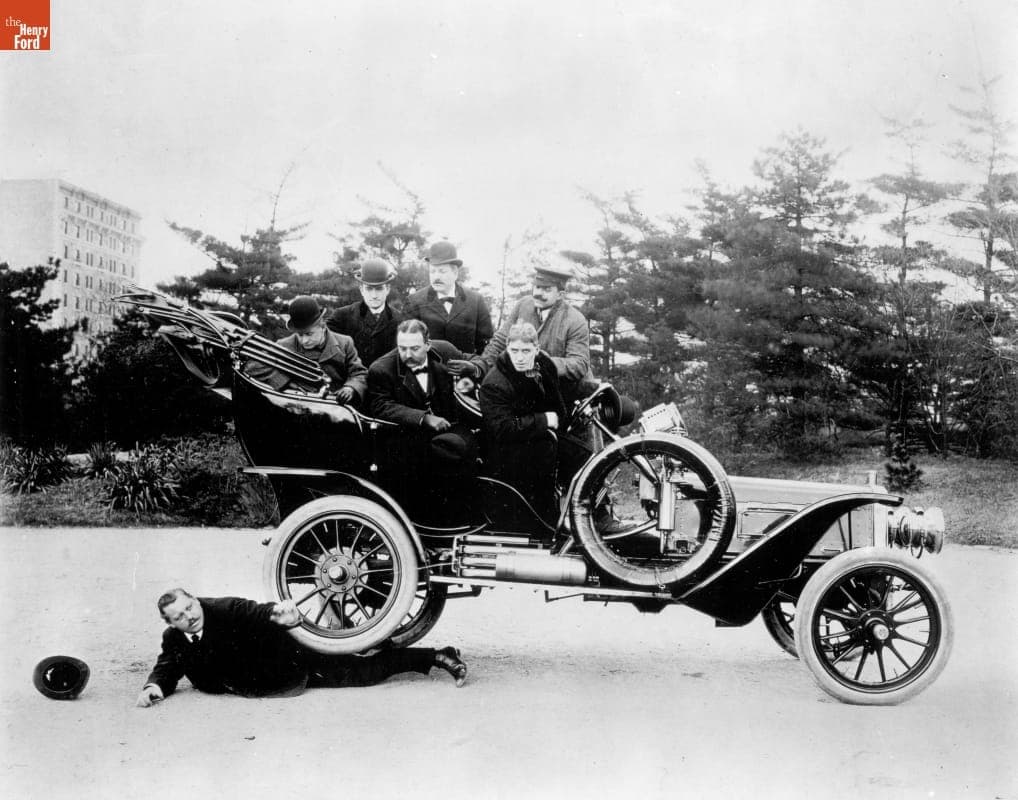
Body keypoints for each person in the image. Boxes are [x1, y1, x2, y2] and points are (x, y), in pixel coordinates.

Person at [136, 588, 467, 706]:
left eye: (190, 607)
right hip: (261, 680)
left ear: (196, 599)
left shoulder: (224, 608)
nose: (189, 616)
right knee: (361, 664)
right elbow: (168, 664)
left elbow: (256, 610)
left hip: (288, 661)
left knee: (363, 672)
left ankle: (437, 656)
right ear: (170, 623)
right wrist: (154, 687)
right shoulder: (175, 638)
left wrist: (281, 614)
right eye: (179, 616)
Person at [451, 262, 593, 408]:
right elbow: (500, 342)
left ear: (560, 295)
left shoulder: (575, 320)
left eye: (547, 290)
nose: (538, 293)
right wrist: (478, 368)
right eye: (537, 287)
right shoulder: (523, 305)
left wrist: (540, 363)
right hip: (529, 389)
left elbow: (579, 364)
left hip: (567, 395)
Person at [479, 321, 566, 526]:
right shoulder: (495, 383)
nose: (519, 357)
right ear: (507, 348)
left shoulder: (545, 365)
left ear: (537, 349)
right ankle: (548, 521)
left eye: (526, 351)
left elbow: (557, 404)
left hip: (540, 435)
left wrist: (556, 422)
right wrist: (544, 420)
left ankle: (589, 513)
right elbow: (502, 428)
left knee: (583, 452)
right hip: (508, 449)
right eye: (514, 350)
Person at [367, 319, 478, 476]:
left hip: (449, 430)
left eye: (415, 348)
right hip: (408, 437)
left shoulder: (445, 351)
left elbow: (477, 360)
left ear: (428, 345)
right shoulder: (380, 369)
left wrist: (473, 368)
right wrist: (423, 418)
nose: (407, 355)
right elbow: (381, 405)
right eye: (402, 348)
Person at [245, 296, 368, 405]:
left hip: (336, 408)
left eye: (309, 334)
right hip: (299, 407)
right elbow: (252, 368)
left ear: (322, 326)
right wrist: (287, 382)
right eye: (300, 335)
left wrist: (350, 388)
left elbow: (359, 373)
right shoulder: (284, 346)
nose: (304, 341)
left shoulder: (344, 343)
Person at [403, 241, 493, 355]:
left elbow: (487, 345)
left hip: (465, 370)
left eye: (442, 271)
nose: (436, 277)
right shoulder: (414, 302)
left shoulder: (476, 300)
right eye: (432, 271)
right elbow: (407, 345)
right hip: (428, 371)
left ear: (455, 272)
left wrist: (475, 368)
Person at [326, 259, 405, 367]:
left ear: (387, 289)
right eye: (369, 289)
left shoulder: (400, 320)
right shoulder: (341, 316)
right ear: (361, 289)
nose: (374, 295)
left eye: (379, 289)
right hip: (351, 380)